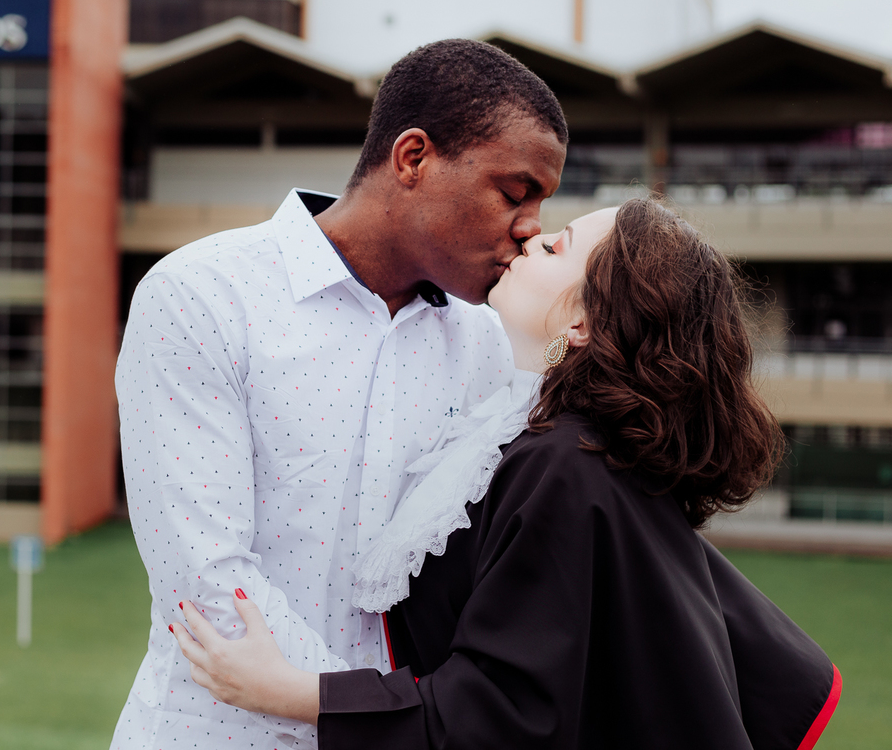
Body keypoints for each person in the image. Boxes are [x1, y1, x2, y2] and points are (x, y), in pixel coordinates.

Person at [171, 200, 843, 750]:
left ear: (582, 322)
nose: (532, 235)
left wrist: (286, 692)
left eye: (557, 247)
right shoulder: (540, 439)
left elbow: (503, 710)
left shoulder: (563, 464)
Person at [112, 39, 567, 749]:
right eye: (515, 192)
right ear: (412, 158)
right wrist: (383, 718)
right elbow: (206, 582)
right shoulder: (201, 296)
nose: (532, 225)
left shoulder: (487, 346)